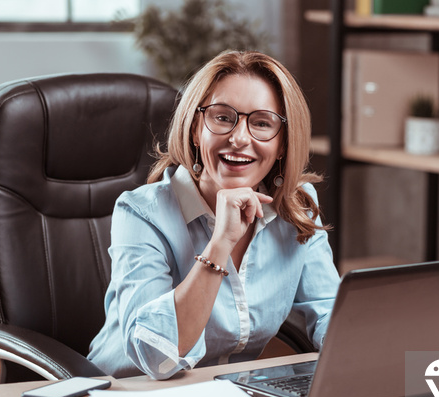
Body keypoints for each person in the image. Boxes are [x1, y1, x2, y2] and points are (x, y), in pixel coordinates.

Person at [88, 50, 340, 380]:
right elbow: (157, 358)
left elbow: (328, 312)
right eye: (222, 118)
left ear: (283, 144)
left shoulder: (297, 207)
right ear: (195, 129)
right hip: (128, 395)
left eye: (262, 123)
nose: (239, 138)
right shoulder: (140, 213)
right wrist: (220, 243)